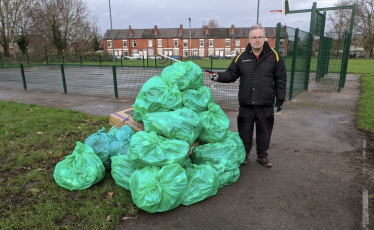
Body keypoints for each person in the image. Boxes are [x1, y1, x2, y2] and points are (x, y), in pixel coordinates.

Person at [206, 24, 287, 167]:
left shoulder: (275, 57)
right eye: (254, 37)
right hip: (246, 103)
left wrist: (280, 100)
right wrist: (217, 76)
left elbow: (281, 79)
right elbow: (231, 74)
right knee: (245, 131)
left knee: (264, 131)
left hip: (265, 103)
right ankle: (244, 155)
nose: (257, 40)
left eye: (260, 37)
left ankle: (262, 156)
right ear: (249, 39)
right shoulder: (241, 58)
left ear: (264, 38)